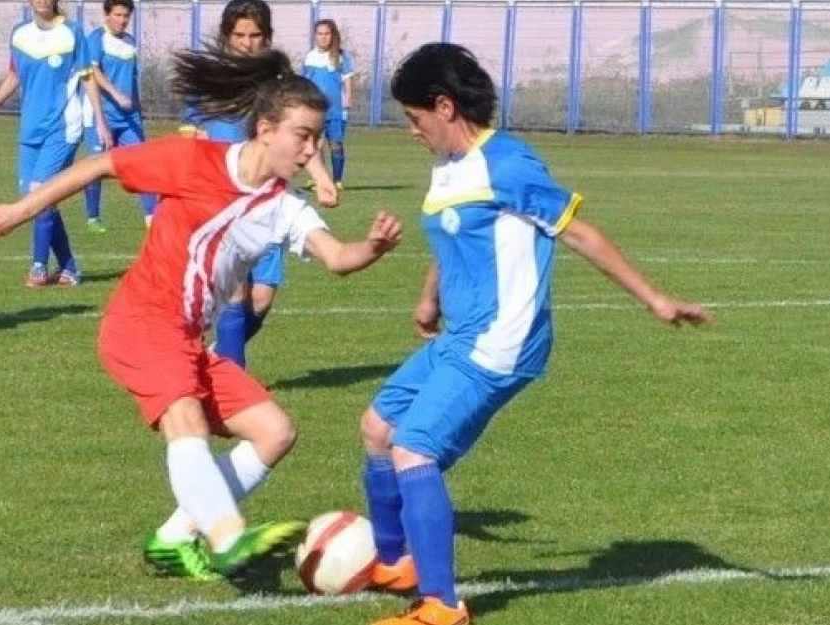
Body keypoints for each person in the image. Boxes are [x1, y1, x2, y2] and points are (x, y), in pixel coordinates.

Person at [0, 46, 403, 580]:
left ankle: (175, 536)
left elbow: (337, 258)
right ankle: (227, 537)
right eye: (303, 135)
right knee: (185, 416)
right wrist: (16, 213)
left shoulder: (285, 207)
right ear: (266, 129)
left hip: (187, 339)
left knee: (274, 431)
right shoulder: (193, 160)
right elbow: (101, 164)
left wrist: (372, 247)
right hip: (141, 321)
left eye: (318, 137)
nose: (312, 150)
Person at [358, 43, 712, 625]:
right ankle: (399, 562)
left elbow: (580, 234)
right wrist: (429, 297)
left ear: (444, 106)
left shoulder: (510, 164)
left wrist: (656, 299)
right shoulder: (447, 165)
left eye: (414, 118)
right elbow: (454, 235)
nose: (411, 131)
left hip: (503, 339)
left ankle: (442, 608)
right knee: (377, 425)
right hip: (461, 332)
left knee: (412, 447)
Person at [181, 0, 339, 370]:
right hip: (223, 197)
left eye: (255, 35)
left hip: (269, 200)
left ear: (267, 38)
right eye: (239, 35)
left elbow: (298, 135)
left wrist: (321, 178)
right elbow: (190, 136)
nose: (247, 43)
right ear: (226, 37)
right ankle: (233, 384)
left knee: (262, 298)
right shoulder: (210, 82)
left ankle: (214, 357)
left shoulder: (279, 87)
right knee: (235, 293)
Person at [0, 0, 108, 287]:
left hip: (63, 126)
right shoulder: (19, 33)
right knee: (34, 199)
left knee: (39, 194)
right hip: (30, 129)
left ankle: (37, 267)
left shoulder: (72, 32)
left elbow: (87, 78)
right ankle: (70, 267)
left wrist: (99, 120)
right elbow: (14, 75)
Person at [81, 0, 157, 232]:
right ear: (106, 15)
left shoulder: (130, 43)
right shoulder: (96, 38)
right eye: (118, 15)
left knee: (144, 164)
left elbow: (131, 80)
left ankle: (152, 218)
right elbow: (93, 72)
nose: (122, 20)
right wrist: (115, 93)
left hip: (129, 117)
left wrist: (137, 109)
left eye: (126, 16)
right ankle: (93, 217)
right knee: (96, 167)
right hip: (101, 115)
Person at [303, 18, 353, 189]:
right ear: (315, 36)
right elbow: (306, 81)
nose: (323, 37)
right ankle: (320, 178)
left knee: (336, 144)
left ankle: (337, 180)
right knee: (315, 144)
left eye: (327, 34)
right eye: (320, 34)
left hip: (336, 110)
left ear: (333, 36)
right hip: (315, 109)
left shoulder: (341, 56)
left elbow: (347, 79)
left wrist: (348, 99)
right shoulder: (310, 57)